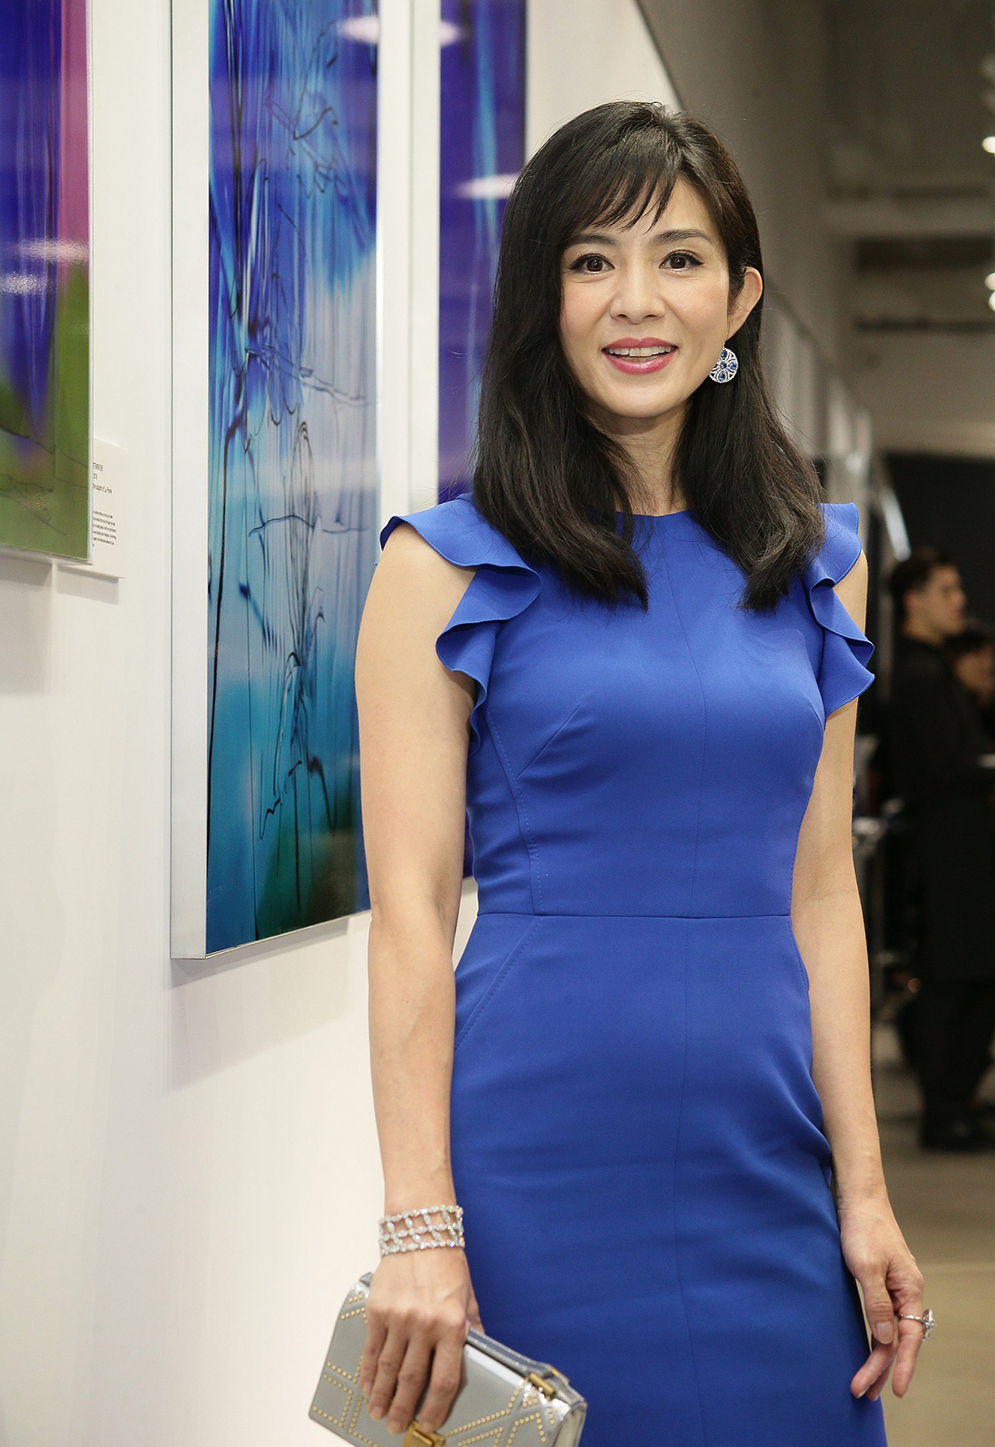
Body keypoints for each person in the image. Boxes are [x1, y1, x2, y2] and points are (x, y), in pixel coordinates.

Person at [354, 101, 928, 1446]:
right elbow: (410, 915)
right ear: (540, 297)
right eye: (589, 259)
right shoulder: (439, 564)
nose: (635, 299)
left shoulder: (818, 566)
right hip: (535, 1154)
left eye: (677, 258)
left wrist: (862, 1188)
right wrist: (419, 1220)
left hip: (767, 1152)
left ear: (738, 300)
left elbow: (820, 892)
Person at [886, 554, 995, 1150]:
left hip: (959, 854)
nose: (960, 600)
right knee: (953, 981)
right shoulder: (920, 677)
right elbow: (945, 766)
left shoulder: (931, 670)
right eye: (947, 589)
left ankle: (955, 1104)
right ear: (915, 600)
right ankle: (945, 1110)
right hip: (946, 856)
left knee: (968, 978)